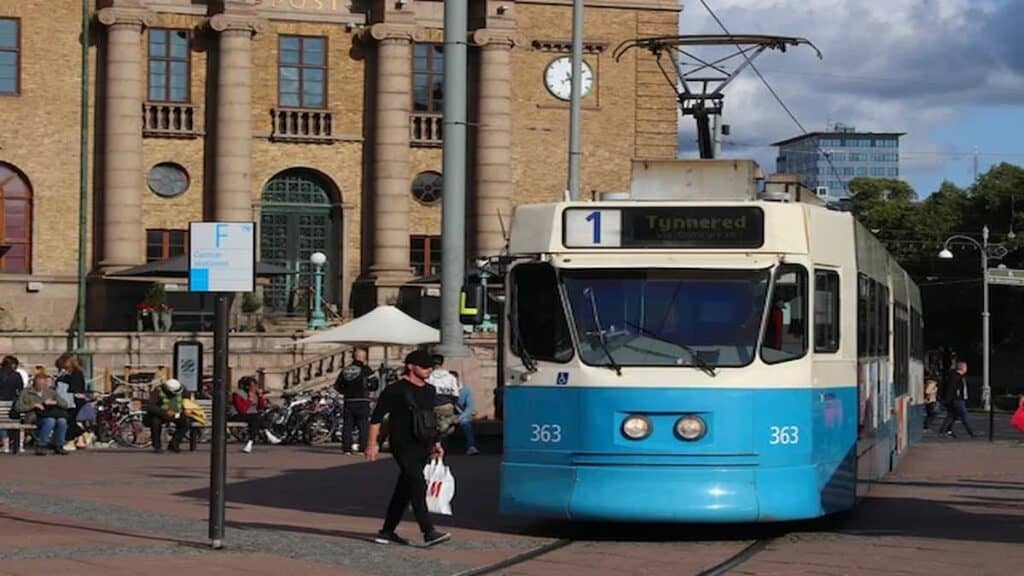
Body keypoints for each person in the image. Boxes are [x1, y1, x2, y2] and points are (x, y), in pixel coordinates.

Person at [366, 349, 451, 547]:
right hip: (402, 444)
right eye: (424, 366)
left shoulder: (430, 390)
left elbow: (431, 419)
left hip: (423, 443)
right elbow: (376, 418)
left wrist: (436, 442)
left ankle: (387, 531)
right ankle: (428, 531)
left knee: (404, 489)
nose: (429, 369)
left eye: (430, 366)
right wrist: (372, 444)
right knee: (418, 484)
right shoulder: (394, 390)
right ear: (411, 366)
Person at [334, 347, 378, 454]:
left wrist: (346, 392)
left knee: (347, 426)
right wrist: (368, 389)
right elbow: (375, 385)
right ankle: (362, 448)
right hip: (362, 400)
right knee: (363, 425)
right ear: (364, 358)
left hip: (349, 400)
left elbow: (337, 385)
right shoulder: (366, 370)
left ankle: (346, 449)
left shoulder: (346, 369)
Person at [15, 373, 71, 456]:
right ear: (34, 383)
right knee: (50, 421)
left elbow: (65, 404)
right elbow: (18, 407)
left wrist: (55, 402)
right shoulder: (26, 392)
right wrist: (33, 405)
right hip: (33, 416)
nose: (41, 386)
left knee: (62, 421)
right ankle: (41, 445)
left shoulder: (50, 392)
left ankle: (59, 445)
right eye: (39, 384)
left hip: (49, 414)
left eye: (44, 384)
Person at [231, 376, 281, 453]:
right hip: (238, 415)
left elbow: (261, 407)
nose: (255, 388)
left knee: (259, 417)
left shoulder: (255, 394)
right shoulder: (238, 394)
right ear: (247, 387)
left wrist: (260, 397)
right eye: (253, 386)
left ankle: (250, 442)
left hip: (253, 416)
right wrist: (250, 399)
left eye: (256, 386)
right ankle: (268, 433)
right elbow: (242, 410)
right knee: (257, 417)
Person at [146, 378, 190, 453]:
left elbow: (187, 399)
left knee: (185, 423)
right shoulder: (157, 391)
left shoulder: (182, 389)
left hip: (177, 413)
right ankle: (157, 446)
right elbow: (151, 407)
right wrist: (164, 412)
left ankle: (174, 444)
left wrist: (187, 408)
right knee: (155, 423)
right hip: (161, 415)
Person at [939, 361, 975, 438]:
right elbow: (950, 389)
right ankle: (971, 432)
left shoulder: (960, 377)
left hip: (958, 399)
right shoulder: (955, 377)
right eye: (965, 367)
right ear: (961, 368)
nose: (966, 369)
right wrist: (947, 400)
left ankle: (946, 431)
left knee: (951, 416)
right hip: (957, 400)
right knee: (964, 416)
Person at [427, 354, 459, 438]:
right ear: (442, 363)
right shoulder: (451, 377)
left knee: (433, 429)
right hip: (447, 405)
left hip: (432, 406)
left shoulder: (429, 377)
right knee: (445, 430)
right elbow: (456, 395)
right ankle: (443, 445)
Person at [0, 356, 25, 454]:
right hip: (13, 404)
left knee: (1, 421)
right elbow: (21, 390)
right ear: (13, 365)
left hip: (0, 403)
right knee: (18, 422)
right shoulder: (16, 375)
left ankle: (5, 443)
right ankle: (20, 445)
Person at [453, 370, 479, 455]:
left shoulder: (465, 390)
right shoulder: (445, 390)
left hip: (461, 414)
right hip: (449, 414)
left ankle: (471, 446)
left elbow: (470, 407)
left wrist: (460, 418)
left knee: (466, 423)